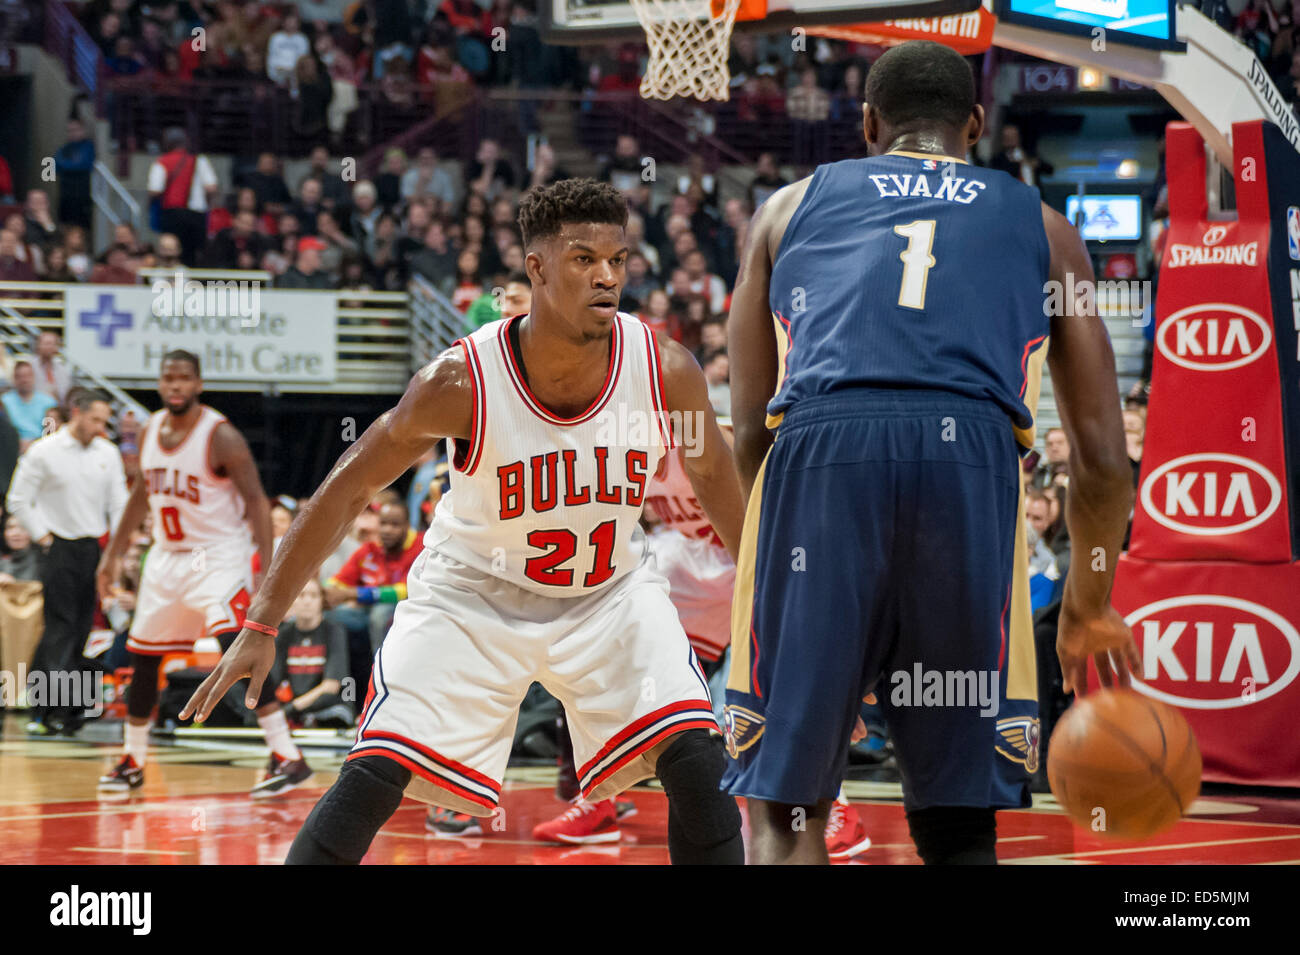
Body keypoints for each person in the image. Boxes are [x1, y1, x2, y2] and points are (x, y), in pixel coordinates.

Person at [182, 179, 746, 866]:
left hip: (607, 593)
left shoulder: (664, 370)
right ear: (535, 268)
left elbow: (719, 482)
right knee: (372, 775)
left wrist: (767, 606)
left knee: (697, 760)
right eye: (582, 258)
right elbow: (347, 486)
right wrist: (264, 619)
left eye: (618, 260)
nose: (606, 276)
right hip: (472, 594)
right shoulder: (461, 380)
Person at [724, 40, 1138, 865]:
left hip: (822, 456)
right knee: (957, 815)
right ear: (976, 126)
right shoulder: (1045, 227)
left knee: (789, 806)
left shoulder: (783, 210)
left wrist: (784, 572)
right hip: (971, 464)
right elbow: (1101, 456)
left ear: (868, 124)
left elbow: (744, 434)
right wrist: (1088, 604)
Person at [93, 351, 309, 799]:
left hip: (217, 556)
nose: (175, 386)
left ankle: (287, 755)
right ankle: (133, 760)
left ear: (198, 384)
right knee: (144, 659)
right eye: (168, 378)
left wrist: (268, 568)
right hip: (167, 558)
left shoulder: (220, 435)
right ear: (159, 382)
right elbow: (139, 496)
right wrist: (111, 555)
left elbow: (257, 501)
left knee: (238, 647)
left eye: (184, 379)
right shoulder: (150, 429)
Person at [6, 389, 127, 736]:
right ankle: (48, 711)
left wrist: (115, 550)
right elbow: (18, 500)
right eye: (95, 419)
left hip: (94, 548)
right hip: (57, 546)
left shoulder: (108, 452)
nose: (101, 427)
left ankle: (65, 711)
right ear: (76, 412)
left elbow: (119, 503)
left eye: (105, 421)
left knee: (81, 630)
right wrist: (44, 536)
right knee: (60, 628)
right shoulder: (45, 451)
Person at [324, 499, 421, 653]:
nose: (387, 530)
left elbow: (405, 591)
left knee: (379, 614)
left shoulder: (420, 546)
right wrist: (325, 593)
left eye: (394, 525)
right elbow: (337, 581)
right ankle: (338, 674)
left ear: (407, 525)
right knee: (326, 616)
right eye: (383, 524)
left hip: (405, 610)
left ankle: (380, 671)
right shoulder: (370, 549)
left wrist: (353, 595)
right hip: (364, 611)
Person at [273, 579, 355, 728]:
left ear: (321, 601)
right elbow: (274, 681)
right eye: (301, 595)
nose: (307, 601)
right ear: (292, 601)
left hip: (325, 706)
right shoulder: (283, 635)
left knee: (337, 708)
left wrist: (293, 708)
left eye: (313, 596)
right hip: (293, 704)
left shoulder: (334, 631)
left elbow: (331, 686)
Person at [147, 127, 219, 265]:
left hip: (172, 215)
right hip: (197, 215)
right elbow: (211, 188)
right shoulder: (199, 160)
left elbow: (154, 190)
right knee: (194, 255)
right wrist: (207, 204)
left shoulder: (163, 161)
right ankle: (192, 282)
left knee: (171, 252)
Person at [2, 361, 58, 452]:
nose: (25, 380)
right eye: (20, 376)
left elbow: (53, 432)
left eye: (28, 376)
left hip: (42, 447)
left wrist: (35, 443)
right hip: (10, 447)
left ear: (34, 377)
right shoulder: (4, 401)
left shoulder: (48, 402)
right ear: (14, 379)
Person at [32, 331, 74, 406]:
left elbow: (65, 395)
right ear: (38, 346)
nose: (49, 347)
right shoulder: (29, 367)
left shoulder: (63, 370)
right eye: (46, 344)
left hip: (57, 409)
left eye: (53, 344)